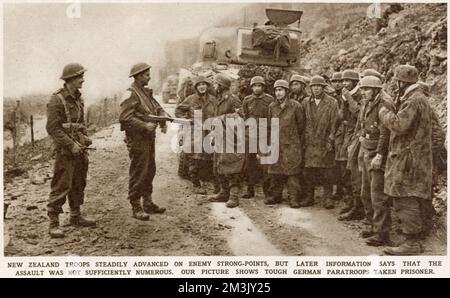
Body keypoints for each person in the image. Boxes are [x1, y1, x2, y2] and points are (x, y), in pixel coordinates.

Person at [379, 65, 433, 255]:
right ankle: (412, 239)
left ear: (402, 82)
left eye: (397, 81)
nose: (396, 85)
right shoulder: (418, 98)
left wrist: (384, 113)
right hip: (413, 157)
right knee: (409, 196)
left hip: (408, 159)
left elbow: (399, 125)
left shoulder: (414, 99)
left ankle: (411, 243)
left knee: (405, 197)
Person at [46, 63, 96, 238]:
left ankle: (75, 215)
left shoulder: (79, 98)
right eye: (79, 77)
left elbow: (80, 124)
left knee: (79, 182)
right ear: (70, 80)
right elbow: (53, 129)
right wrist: (71, 145)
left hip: (80, 150)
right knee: (61, 184)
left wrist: (85, 137)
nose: (83, 80)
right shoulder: (56, 100)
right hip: (65, 151)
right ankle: (53, 223)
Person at [119, 62, 167, 221]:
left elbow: (157, 107)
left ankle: (147, 202)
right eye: (146, 74)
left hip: (148, 139)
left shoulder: (146, 93)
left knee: (150, 170)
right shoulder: (130, 93)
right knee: (139, 172)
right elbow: (125, 118)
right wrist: (144, 125)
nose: (149, 77)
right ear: (138, 76)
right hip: (137, 139)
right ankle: (136, 205)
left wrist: (163, 117)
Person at [357, 76, 395, 246]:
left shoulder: (384, 103)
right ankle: (371, 224)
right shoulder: (368, 101)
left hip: (377, 153)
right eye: (362, 89)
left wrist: (380, 155)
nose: (363, 92)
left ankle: (382, 233)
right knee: (366, 192)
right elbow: (363, 123)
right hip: (366, 148)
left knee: (377, 194)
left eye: (366, 89)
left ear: (376, 89)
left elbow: (385, 133)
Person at [266, 80, 305, 208]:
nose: (278, 93)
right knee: (275, 171)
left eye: (281, 90)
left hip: (292, 144)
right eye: (276, 90)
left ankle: (293, 198)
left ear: (287, 91)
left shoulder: (296, 106)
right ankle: (275, 196)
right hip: (276, 143)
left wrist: (294, 141)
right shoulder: (272, 107)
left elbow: (301, 126)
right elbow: (270, 126)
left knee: (292, 172)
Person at [175, 76, 217, 194]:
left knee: (211, 155)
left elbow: (218, 112)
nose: (202, 87)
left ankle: (214, 182)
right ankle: (196, 183)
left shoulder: (213, 100)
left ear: (207, 86)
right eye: (199, 85)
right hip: (195, 131)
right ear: (196, 87)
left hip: (209, 130)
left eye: (204, 84)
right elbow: (178, 111)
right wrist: (187, 120)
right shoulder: (191, 99)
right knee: (195, 157)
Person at [302, 75, 338, 209]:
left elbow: (335, 123)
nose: (316, 89)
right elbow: (302, 122)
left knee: (327, 171)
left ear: (323, 88)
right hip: (310, 141)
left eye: (319, 86)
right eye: (313, 86)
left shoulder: (332, 102)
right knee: (308, 171)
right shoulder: (306, 102)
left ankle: (328, 197)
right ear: (310, 88)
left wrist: (331, 139)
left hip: (324, 141)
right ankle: (309, 196)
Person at [209, 73, 242, 208]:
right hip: (219, 136)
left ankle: (234, 196)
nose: (214, 86)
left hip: (231, 138)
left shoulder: (233, 100)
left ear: (221, 86)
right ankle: (224, 192)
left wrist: (222, 118)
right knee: (218, 165)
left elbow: (240, 116)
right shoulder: (219, 99)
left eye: (216, 84)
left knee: (231, 166)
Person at [241, 76, 274, 199]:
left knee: (265, 164)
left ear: (263, 87)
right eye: (254, 86)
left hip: (264, 135)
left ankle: (267, 191)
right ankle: (250, 189)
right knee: (250, 164)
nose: (257, 88)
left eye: (259, 86)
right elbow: (245, 117)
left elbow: (272, 117)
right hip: (250, 135)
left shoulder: (269, 100)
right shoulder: (247, 100)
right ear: (251, 87)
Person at [338, 69, 365, 220]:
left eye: (347, 81)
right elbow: (342, 116)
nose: (344, 83)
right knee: (346, 168)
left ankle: (358, 206)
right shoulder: (346, 95)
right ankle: (352, 201)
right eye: (343, 81)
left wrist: (348, 97)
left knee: (356, 171)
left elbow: (358, 113)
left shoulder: (359, 95)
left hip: (359, 135)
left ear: (355, 82)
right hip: (349, 133)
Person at [331, 72, 351, 202]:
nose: (338, 84)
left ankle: (346, 191)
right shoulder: (332, 97)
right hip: (338, 131)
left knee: (345, 162)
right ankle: (339, 189)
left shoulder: (349, 96)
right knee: (336, 163)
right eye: (335, 81)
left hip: (347, 131)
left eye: (340, 81)